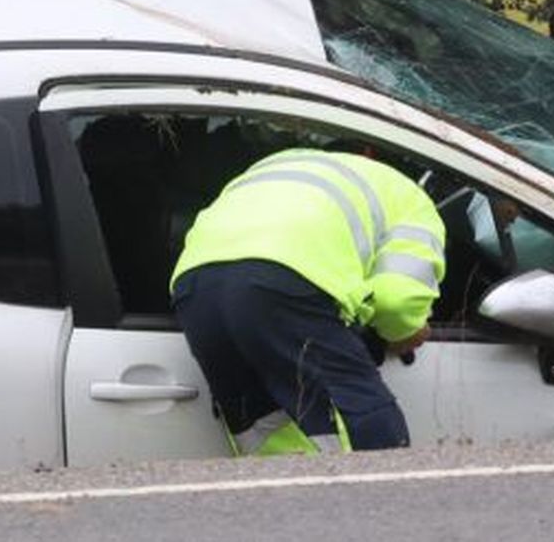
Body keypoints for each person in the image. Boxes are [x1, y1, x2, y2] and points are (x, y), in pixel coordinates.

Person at [169, 146, 446, 455]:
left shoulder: (281, 163)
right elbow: (397, 301)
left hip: (195, 284)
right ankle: (382, 500)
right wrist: (405, 332)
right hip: (283, 277)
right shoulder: (412, 201)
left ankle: (289, 500)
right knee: (360, 417)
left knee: (263, 429)